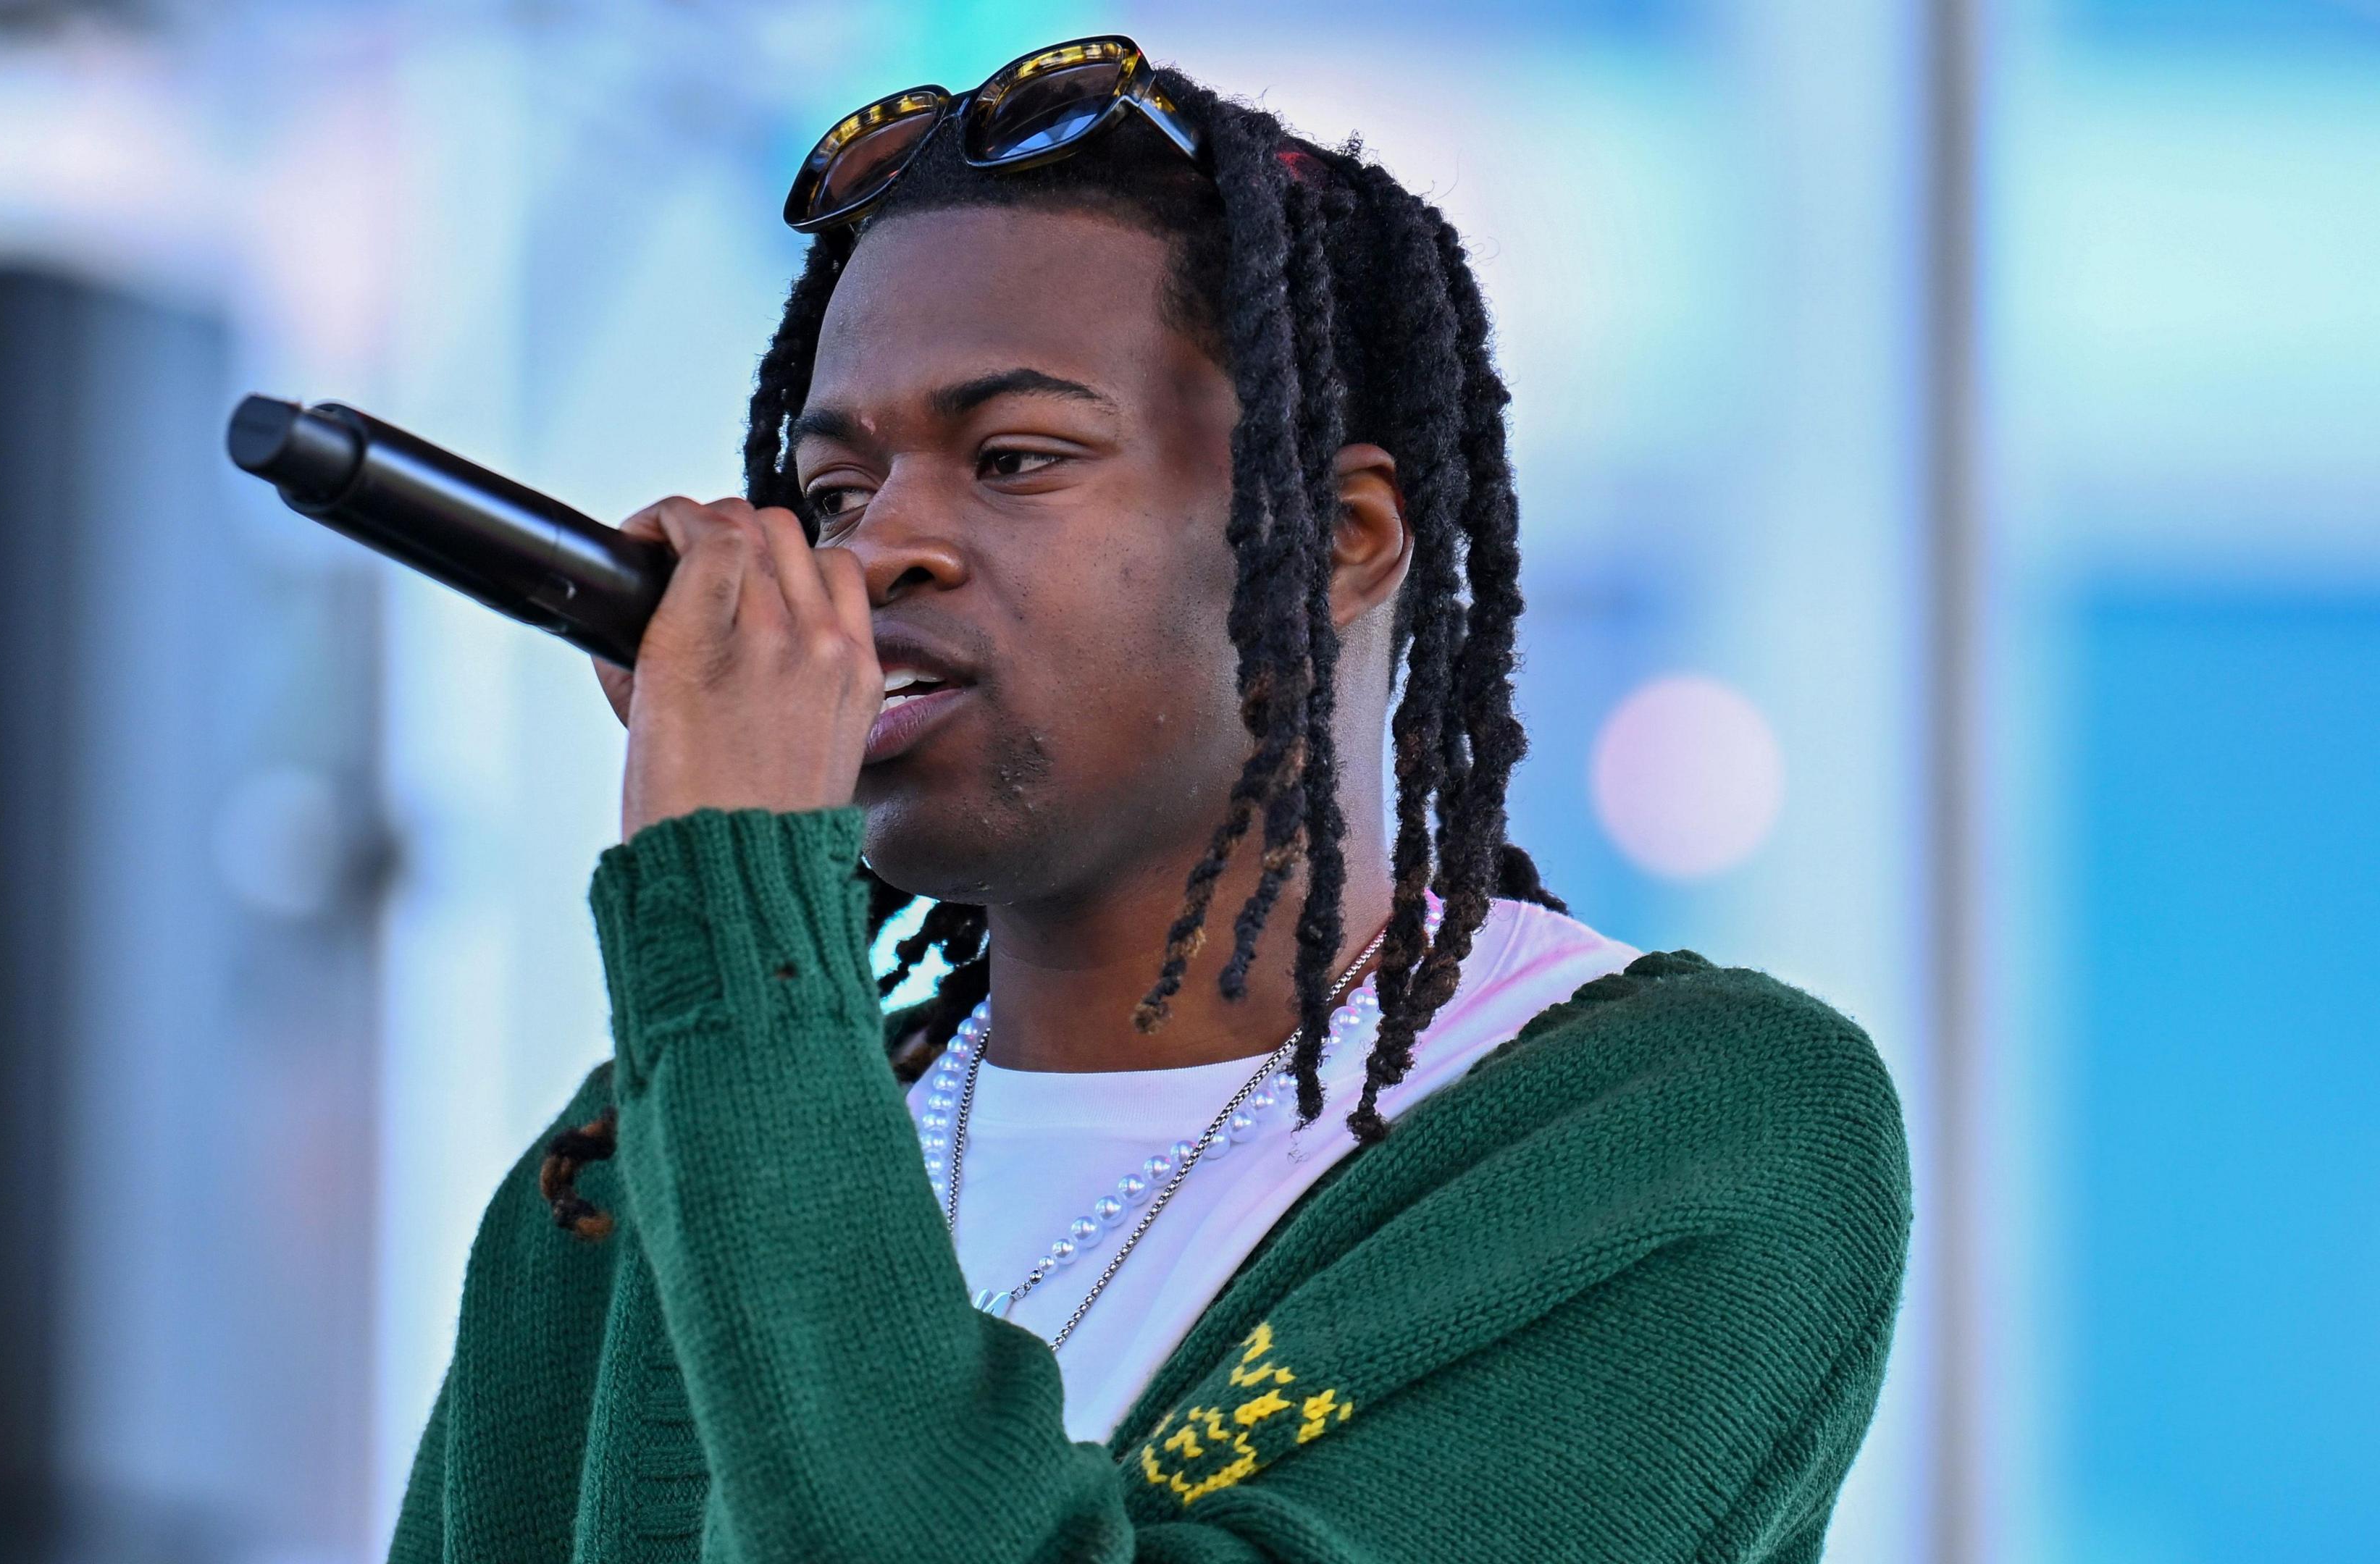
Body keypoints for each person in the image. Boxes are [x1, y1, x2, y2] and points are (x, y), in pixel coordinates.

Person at [390, 38, 1910, 1563]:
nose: (875, 551)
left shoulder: (1686, 1135)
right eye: (837, 491)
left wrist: (730, 890)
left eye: (1015, 458)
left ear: (1338, 540)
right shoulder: (646, 1144)